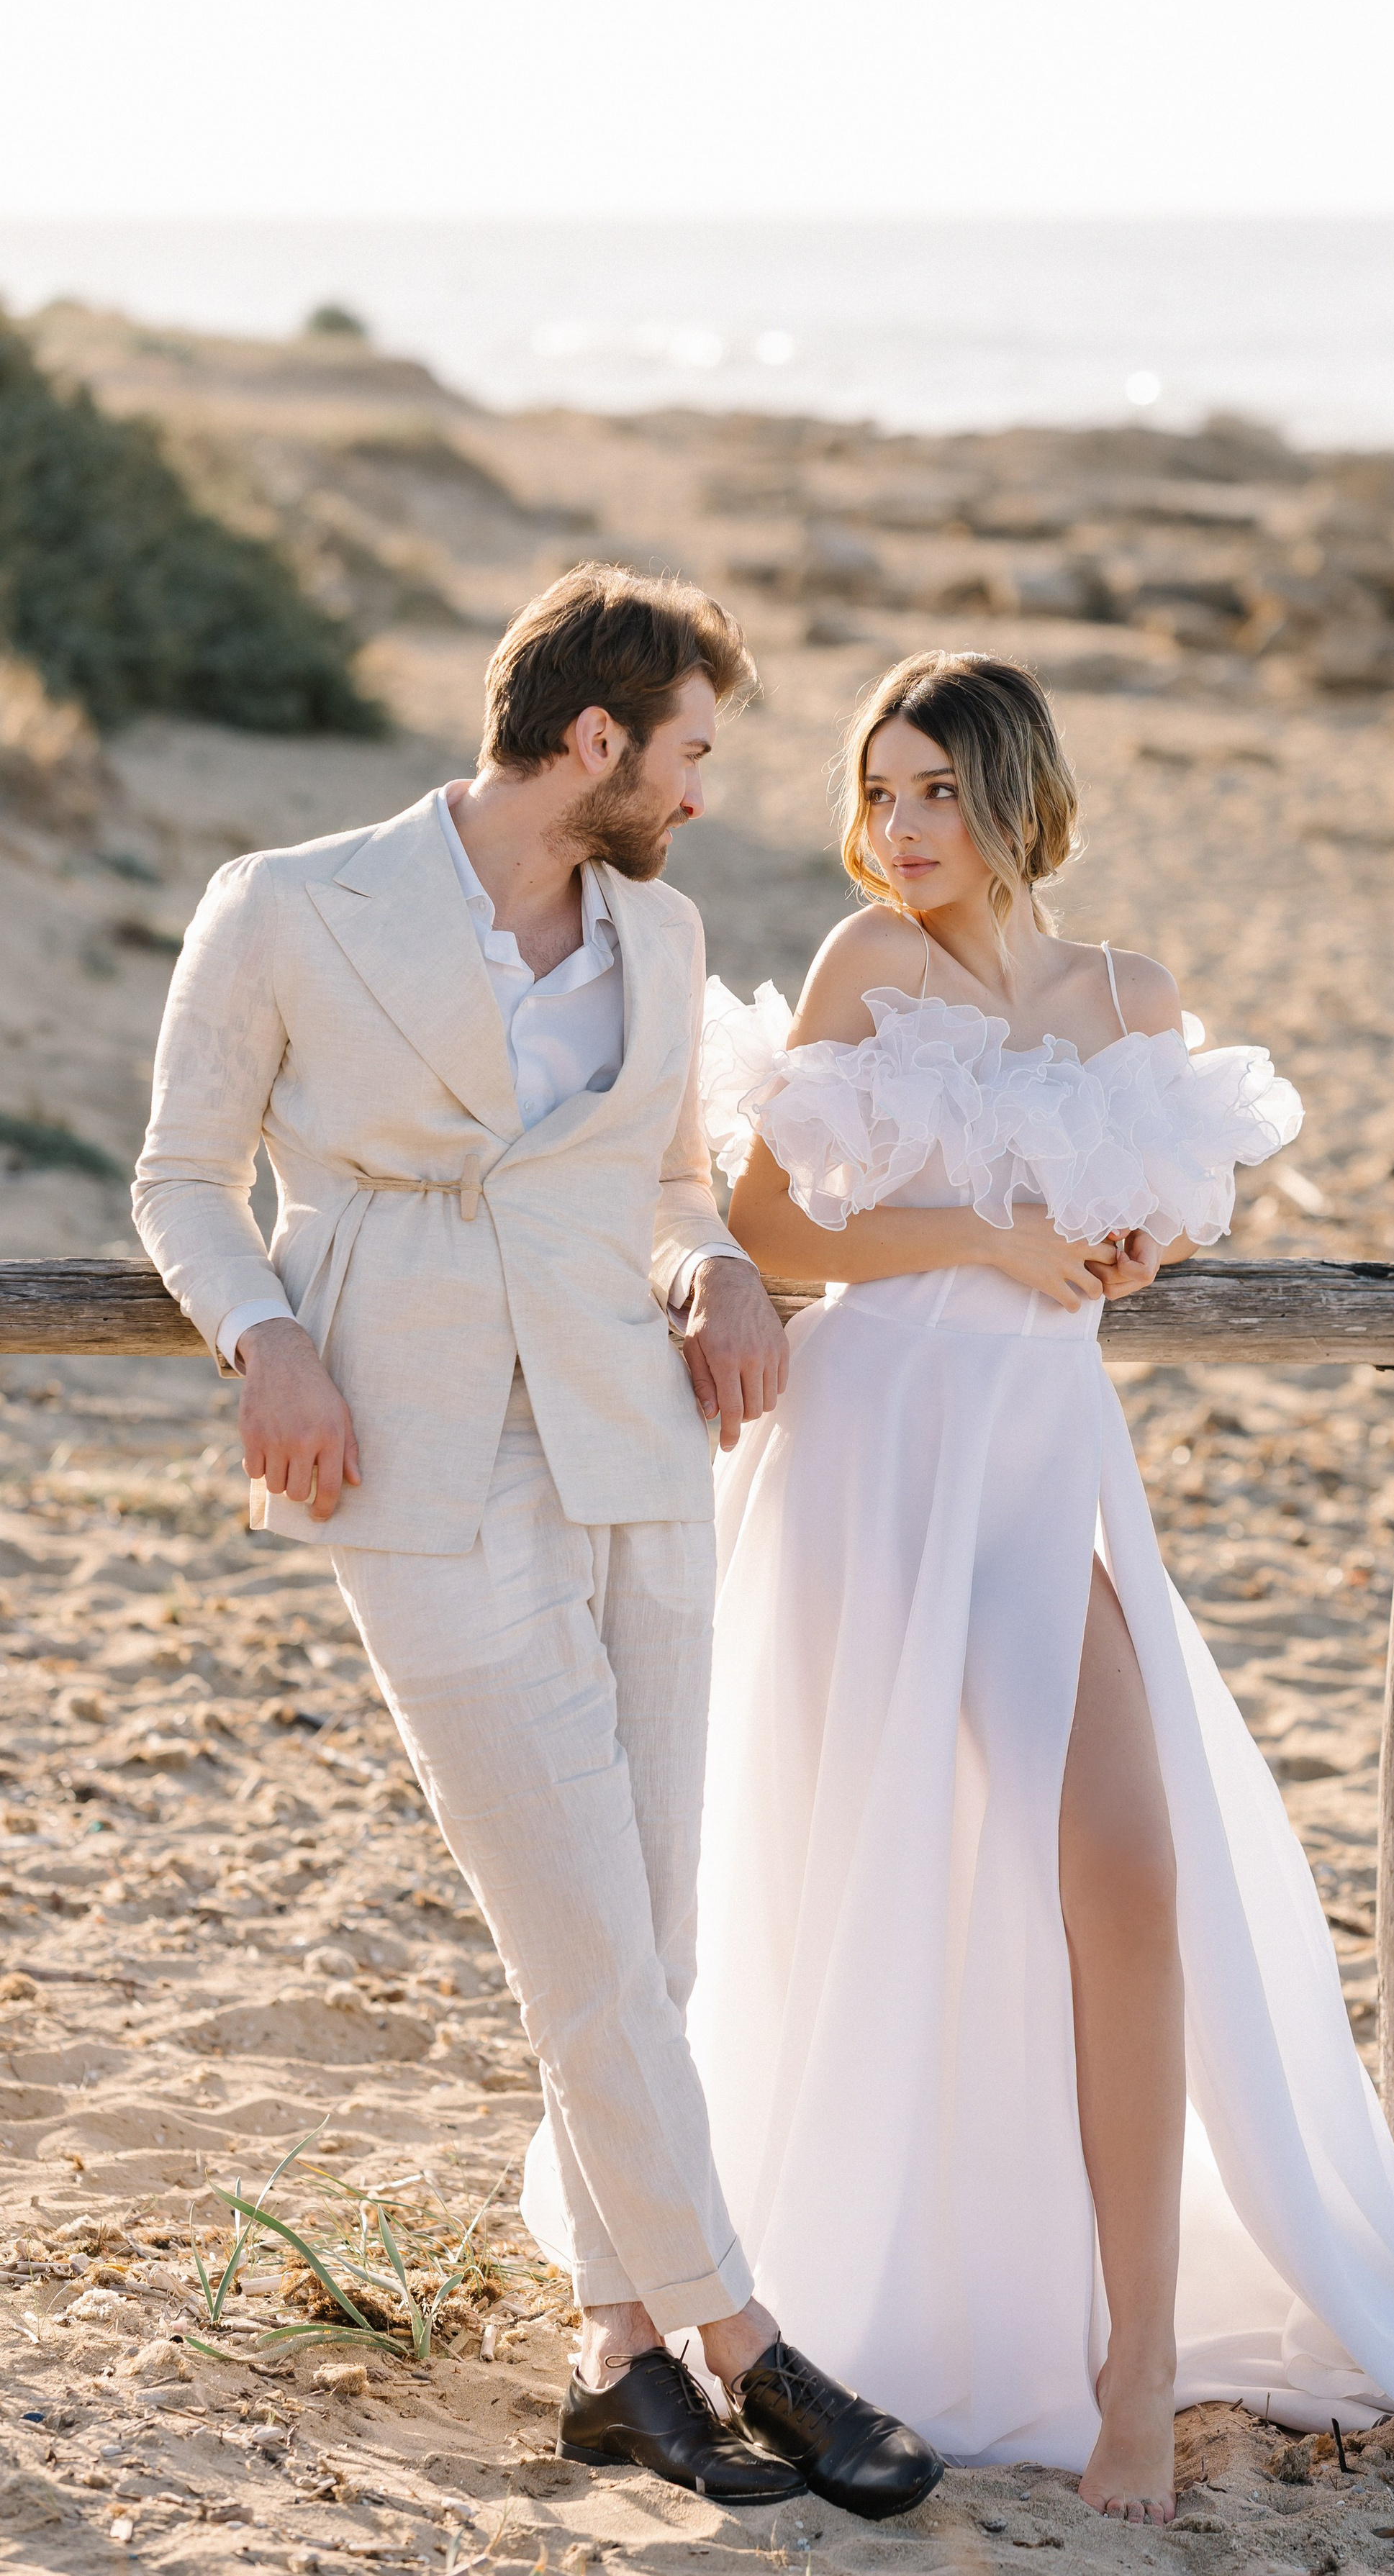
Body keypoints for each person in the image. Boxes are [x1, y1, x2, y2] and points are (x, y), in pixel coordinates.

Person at [669, 650, 1394, 2523]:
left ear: (1020, 793)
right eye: (879, 793)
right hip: (873, 1456)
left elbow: (1178, 1198)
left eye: (937, 789)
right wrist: (997, 1232)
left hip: (1039, 1465)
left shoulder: (1133, 1002)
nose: (901, 829)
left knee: (1128, 1865)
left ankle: (1134, 2352)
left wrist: (1137, 1234)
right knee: (899, 1873)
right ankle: (868, 2272)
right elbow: (780, 1225)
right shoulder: (869, 969)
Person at [131, 564, 943, 2520]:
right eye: (686, 754)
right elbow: (178, 1174)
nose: (699, 792)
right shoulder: (288, 904)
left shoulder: (658, 940)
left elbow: (665, 1182)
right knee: (579, 1925)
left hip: (640, 1445)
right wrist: (268, 1337)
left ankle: (613, 2352)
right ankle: (749, 2341)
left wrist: (724, 1269)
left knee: (647, 1931)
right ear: (592, 742)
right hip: (408, 1461)